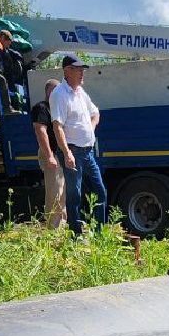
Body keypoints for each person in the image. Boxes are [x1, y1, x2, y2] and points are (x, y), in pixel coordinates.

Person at [50, 54, 107, 235]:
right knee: (74, 195)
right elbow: (57, 126)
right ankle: (76, 234)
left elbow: (95, 113)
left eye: (83, 70)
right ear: (67, 71)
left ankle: (99, 233)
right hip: (73, 151)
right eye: (78, 70)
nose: (82, 73)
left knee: (100, 191)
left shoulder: (81, 92)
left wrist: (90, 129)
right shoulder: (59, 94)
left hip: (87, 152)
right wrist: (66, 153)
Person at [31, 78, 67, 231]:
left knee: (63, 191)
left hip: (60, 154)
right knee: (55, 191)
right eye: (57, 90)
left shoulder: (58, 108)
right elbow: (40, 131)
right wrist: (50, 156)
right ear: (49, 91)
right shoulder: (42, 108)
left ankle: (62, 226)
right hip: (51, 153)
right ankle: (54, 230)